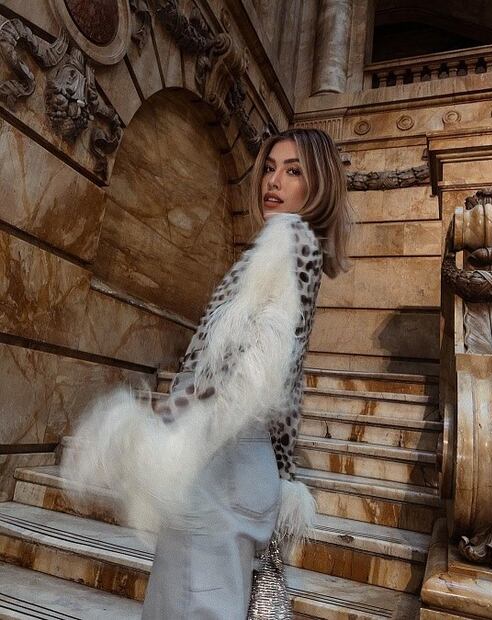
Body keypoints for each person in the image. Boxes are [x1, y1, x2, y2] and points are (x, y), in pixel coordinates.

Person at [62, 128, 351, 619]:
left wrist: (170, 417)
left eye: (293, 171)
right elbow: (287, 385)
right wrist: (282, 474)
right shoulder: (300, 249)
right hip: (242, 461)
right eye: (269, 168)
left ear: (318, 184)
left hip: (220, 457)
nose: (273, 181)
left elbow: (250, 370)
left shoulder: (288, 240)